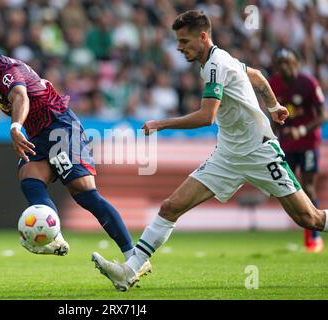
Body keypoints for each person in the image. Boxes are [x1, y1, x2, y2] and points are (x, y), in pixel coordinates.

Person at [91, 10, 328, 292]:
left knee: (308, 218)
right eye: (178, 42)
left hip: (260, 152)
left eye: (184, 41)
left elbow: (207, 117)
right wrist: (274, 105)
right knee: (170, 207)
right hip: (227, 156)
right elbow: (258, 76)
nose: (179, 48)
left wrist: (161, 123)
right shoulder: (216, 61)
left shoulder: (216, 65)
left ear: (203, 37)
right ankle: (129, 271)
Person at [0, 31, 150, 274]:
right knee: (29, 177)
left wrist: (15, 126)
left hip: (59, 126)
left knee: (85, 194)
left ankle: (134, 258)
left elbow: (20, 96)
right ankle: (54, 234)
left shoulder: (8, 72)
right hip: (38, 133)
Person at [269, 48, 327, 252]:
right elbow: (272, 116)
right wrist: (270, 137)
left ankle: (313, 236)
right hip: (286, 145)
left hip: (308, 143)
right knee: (288, 188)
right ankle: (305, 227)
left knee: (309, 187)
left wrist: (302, 130)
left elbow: (323, 115)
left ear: (296, 64)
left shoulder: (309, 83)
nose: (285, 67)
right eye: (281, 64)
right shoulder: (273, 84)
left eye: (289, 63)